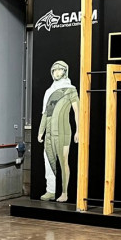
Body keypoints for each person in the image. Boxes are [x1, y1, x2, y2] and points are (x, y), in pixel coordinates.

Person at [37, 60, 79, 202]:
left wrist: (78, 130)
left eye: (59, 70)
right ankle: (51, 190)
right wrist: (40, 131)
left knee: (63, 161)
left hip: (62, 131)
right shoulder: (48, 91)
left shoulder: (70, 89)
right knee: (48, 161)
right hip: (49, 132)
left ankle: (65, 193)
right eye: (54, 70)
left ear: (65, 71)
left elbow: (77, 111)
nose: (56, 72)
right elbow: (45, 113)